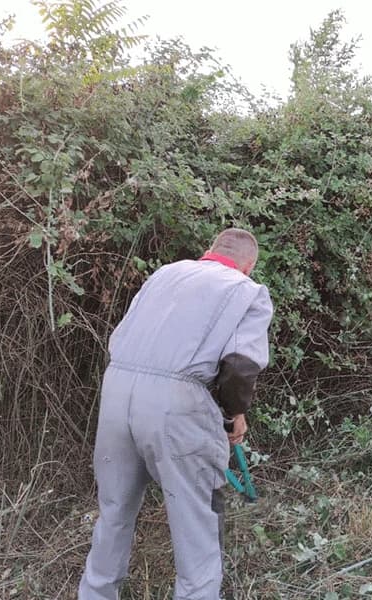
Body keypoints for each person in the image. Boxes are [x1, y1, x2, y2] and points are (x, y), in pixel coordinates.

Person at [78, 228, 274, 600]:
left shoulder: (164, 274)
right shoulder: (246, 291)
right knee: (196, 524)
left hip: (116, 390)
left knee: (114, 510)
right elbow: (240, 367)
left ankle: (96, 592)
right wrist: (234, 413)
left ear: (209, 250)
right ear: (248, 266)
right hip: (175, 404)